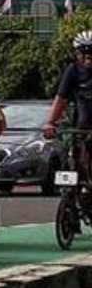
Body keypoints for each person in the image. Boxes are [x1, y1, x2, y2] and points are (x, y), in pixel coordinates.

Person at [42, 30, 92, 187]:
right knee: (71, 158)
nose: (87, 57)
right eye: (83, 52)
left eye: (90, 53)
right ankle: (72, 191)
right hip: (81, 127)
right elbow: (61, 98)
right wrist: (50, 123)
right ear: (77, 53)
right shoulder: (73, 70)